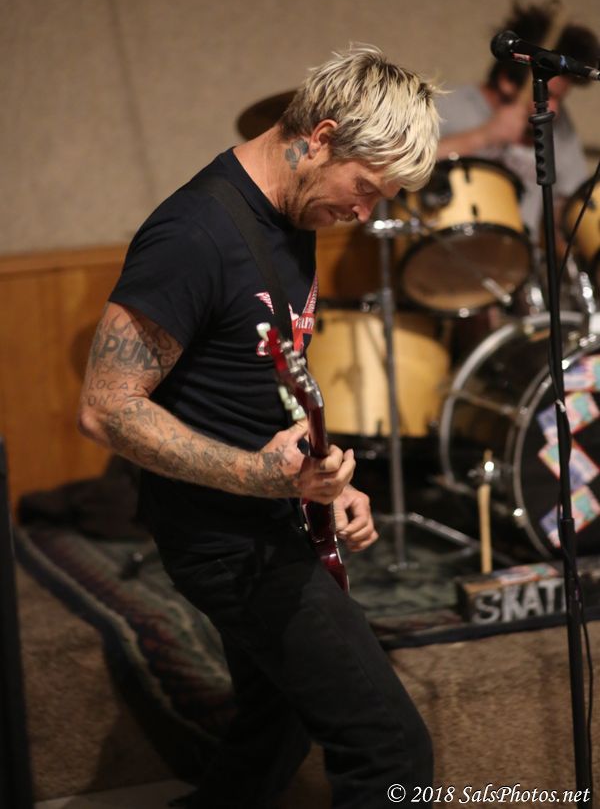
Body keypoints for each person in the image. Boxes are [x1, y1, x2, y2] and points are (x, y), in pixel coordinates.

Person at [78, 45, 440, 809]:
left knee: (274, 728)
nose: (364, 213)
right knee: (391, 749)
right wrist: (258, 475)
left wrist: (324, 477)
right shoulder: (195, 233)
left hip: (274, 513)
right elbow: (105, 407)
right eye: (366, 189)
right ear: (322, 138)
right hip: (224, 537)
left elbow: (262, 378)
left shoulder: (291, 213)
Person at [436, 0, 599, 238]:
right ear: (507, 81)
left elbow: (568, 211)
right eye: (549, 95)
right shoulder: (448, 105)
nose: (555, 108)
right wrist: (483, 136)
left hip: (522, 257)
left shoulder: (559, 127)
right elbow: (397, 168)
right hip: (443, 251)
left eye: (560, 99)